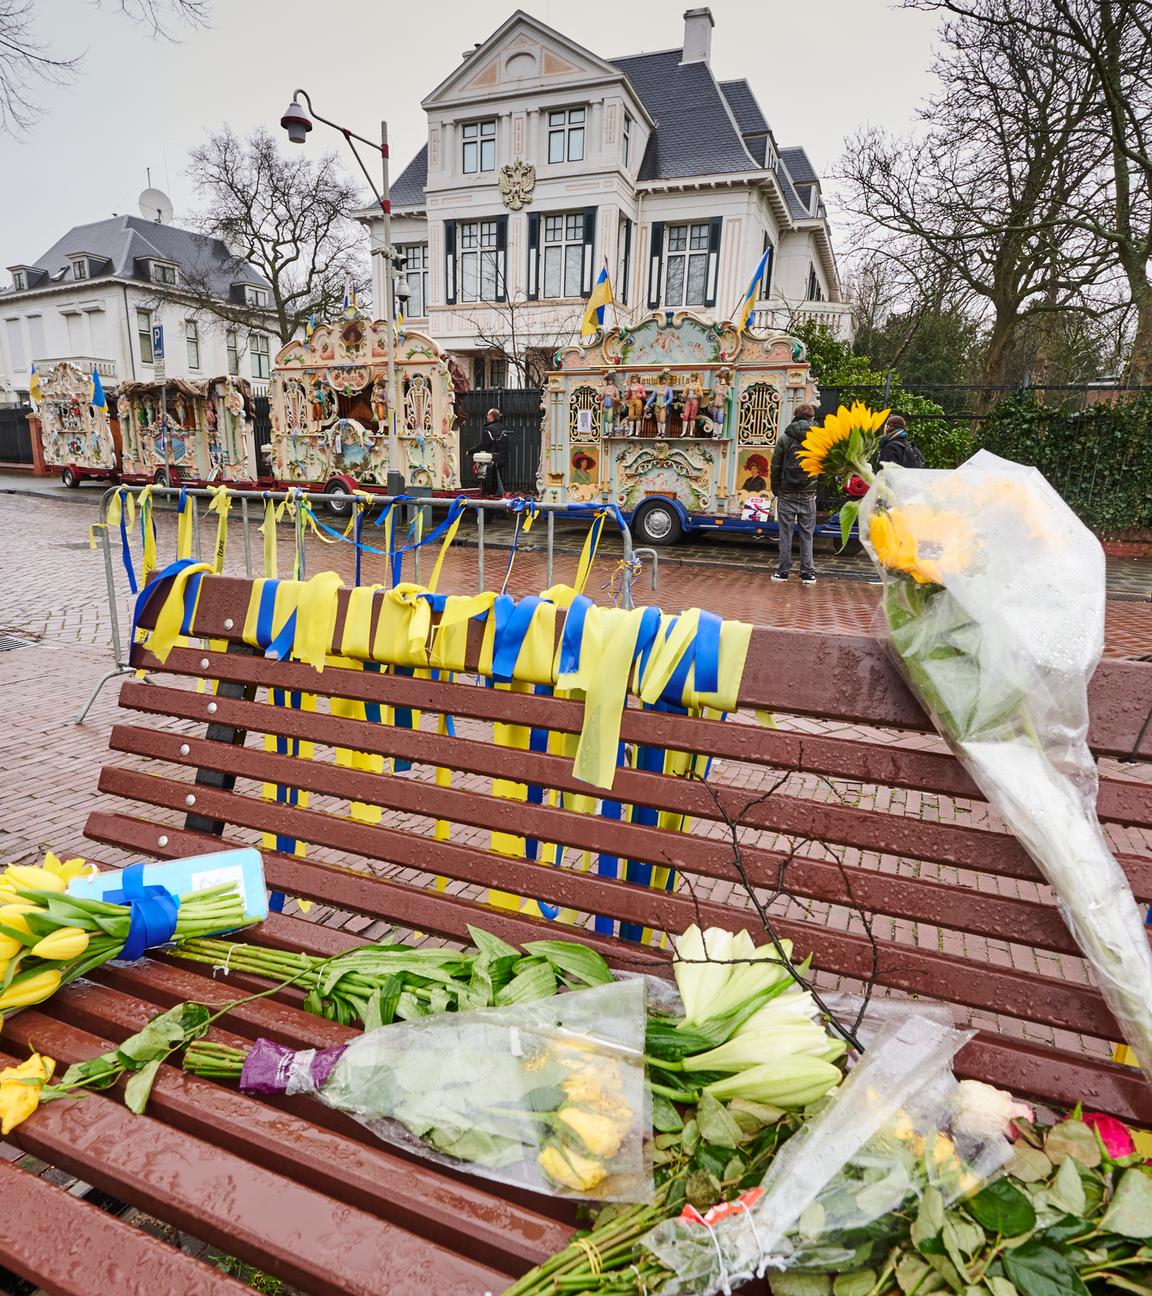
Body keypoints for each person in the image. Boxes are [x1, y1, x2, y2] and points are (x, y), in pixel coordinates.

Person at [770, 403, 818, 586]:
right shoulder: (818, 438)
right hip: (808, 492)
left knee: (785, 533)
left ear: (795, 415)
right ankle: (808, 573)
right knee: (807, 534)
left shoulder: (784, 439)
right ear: (811, 417)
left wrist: (776, 489)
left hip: (787, 491)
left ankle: (783, 572)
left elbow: (775, 467)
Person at [476, 407, 508, 496]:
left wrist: (471, 451)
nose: (486, 416)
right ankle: (498, 491)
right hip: (501, 456)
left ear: (491, 416)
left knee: (485, 472)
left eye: (488, 415)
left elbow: (484, 444)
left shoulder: (489, 429)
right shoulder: (502, 427)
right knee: (497, 474)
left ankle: (488, 492)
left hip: (493, 456)